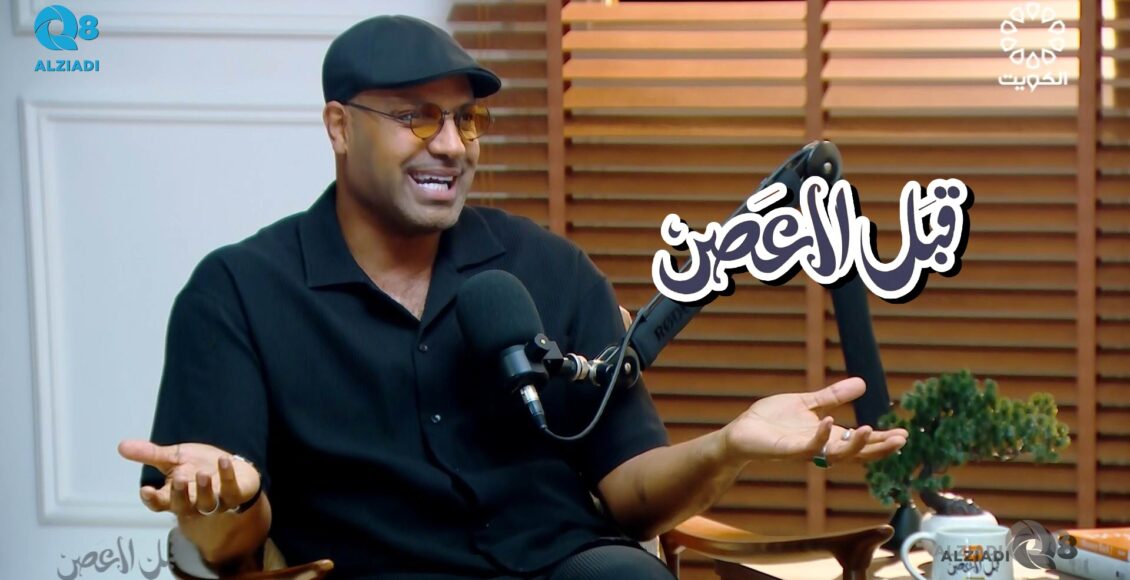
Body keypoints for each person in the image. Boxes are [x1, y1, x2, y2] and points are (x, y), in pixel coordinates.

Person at [118, 15, 907, 580]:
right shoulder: (238, 293)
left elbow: (628, 494)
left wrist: (727, 446)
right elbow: (228, 549)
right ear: (339, 127)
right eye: (416, 119)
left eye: (467, 120)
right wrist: (223, 503)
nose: (451, 146)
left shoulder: (547, 267)